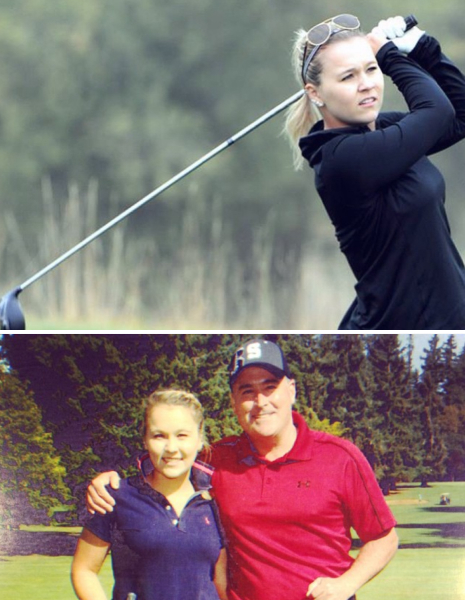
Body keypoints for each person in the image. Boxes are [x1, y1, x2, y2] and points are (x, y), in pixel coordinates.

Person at [87, 339, 398, 600]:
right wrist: (108, 481)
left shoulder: (340, 457)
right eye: (247, 391)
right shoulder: (216, 460)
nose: (260, 401)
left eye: (270, 386)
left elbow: (384, 538)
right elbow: (167, 460)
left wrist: (347, 584)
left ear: (291, 389)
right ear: (234, 401)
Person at [284, 14, 465, 329]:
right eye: (347, 77)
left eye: (370, 69)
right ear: (315, 93)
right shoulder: (341, 160)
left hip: (445, 330)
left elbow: (459, 115)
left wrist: (424, 48)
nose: (366, 84)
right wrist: (389, 56)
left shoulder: (385, 129)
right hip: (400, 341)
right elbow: (437, 111)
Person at [72, 389, 228, 600]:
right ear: (145, 440)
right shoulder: (116, 497)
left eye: (182, 435)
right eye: (159, 435)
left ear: (199, 439)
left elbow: (220, 584)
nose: (171, 448)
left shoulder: (214, 503)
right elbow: (84, 570)